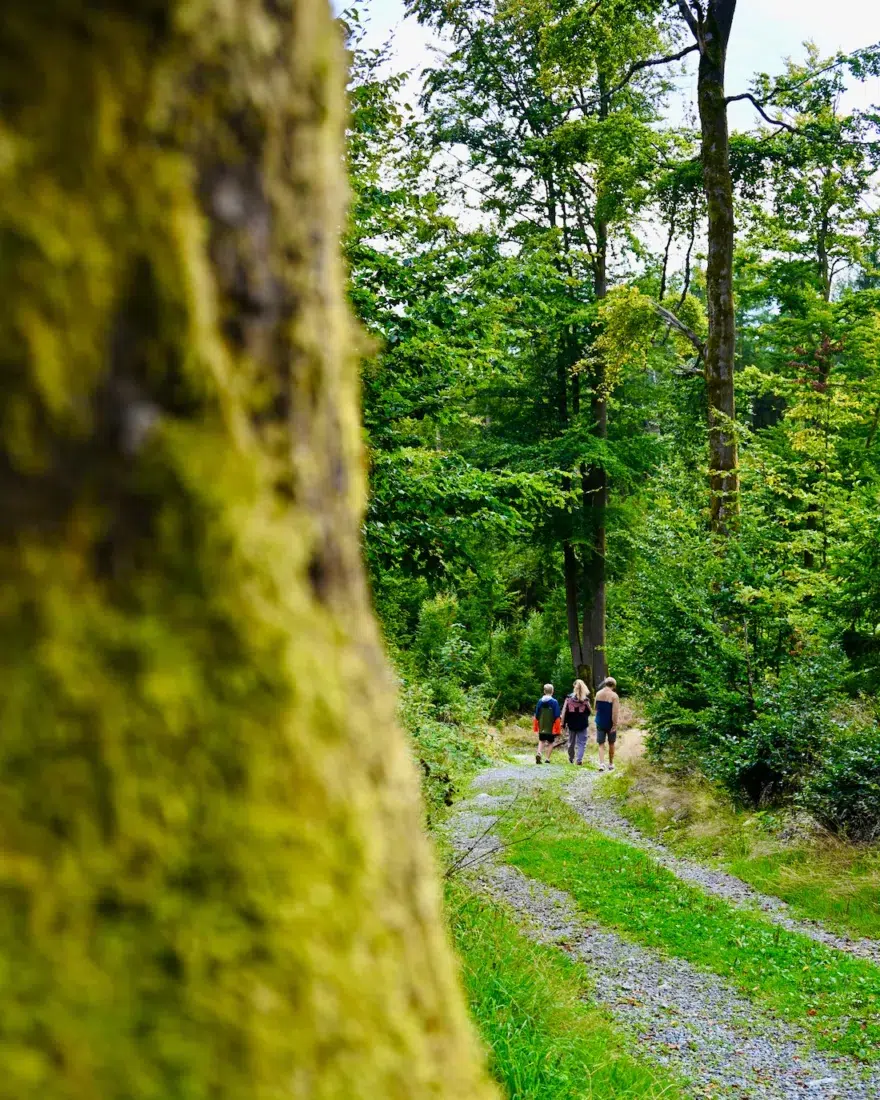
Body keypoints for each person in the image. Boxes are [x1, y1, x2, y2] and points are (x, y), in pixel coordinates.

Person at [561, 680, 592, 766]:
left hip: (571, 723)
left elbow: (564, 711)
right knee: (582, 743)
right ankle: (579, 760)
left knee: (571, 742)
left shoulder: (568, 698)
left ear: (574, 687)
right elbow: (589, 711)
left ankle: (571, 758)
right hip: (582, 724)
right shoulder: (586, 700)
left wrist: (562, 723)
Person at [594, 677, 620, 771]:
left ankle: (601, 764)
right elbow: (615, 712)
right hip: (610, 723)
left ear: (605, 684)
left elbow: (595, 708)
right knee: (611, 743)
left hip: (600, 722)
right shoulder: (614, 696)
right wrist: (614, 724)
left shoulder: (598, 693)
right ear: (614, 685)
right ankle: (611, 764)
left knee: (601, 744)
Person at [533, 683, 561, 764]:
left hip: (542, 724)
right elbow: (557, 715)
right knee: (551, 742)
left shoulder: (540, 701)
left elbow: (537, 714)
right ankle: (547, 759)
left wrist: (537, 723)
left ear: (544, 691)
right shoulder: (554, 702)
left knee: (541, 740)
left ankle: (539, 753)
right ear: (552, 691)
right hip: (551, 726)